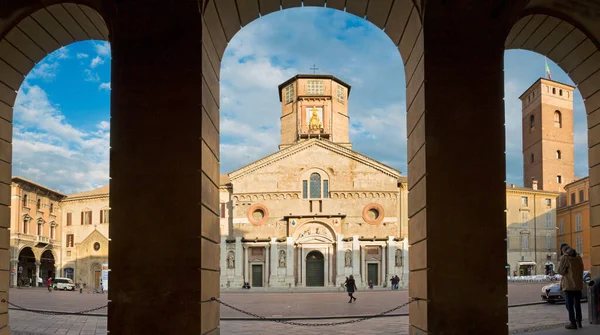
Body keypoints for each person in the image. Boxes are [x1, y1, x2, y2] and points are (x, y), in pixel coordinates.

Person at [556, 243, 584, 329]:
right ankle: (579, 321)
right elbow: (582, 269)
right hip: (578, 284)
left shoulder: (565, 257)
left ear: (563, 250)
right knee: (577, 304)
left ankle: (573, 323)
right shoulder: (578, 257)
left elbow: (560, 271)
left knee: (569, 305)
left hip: (568, 285)